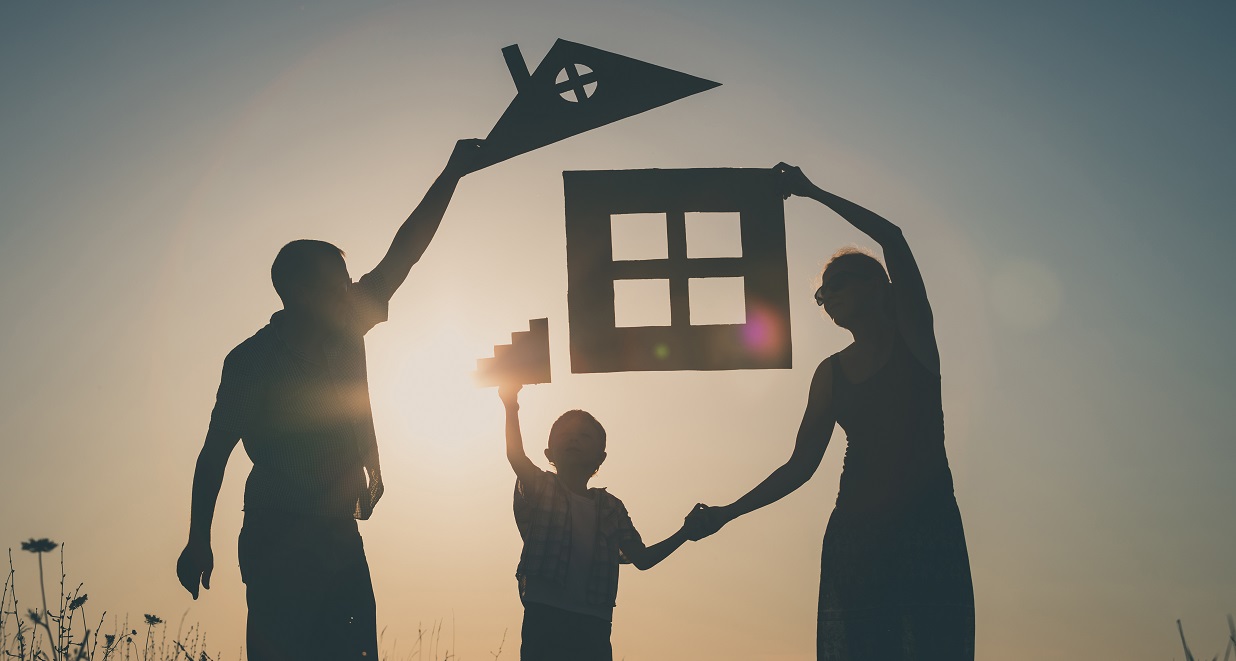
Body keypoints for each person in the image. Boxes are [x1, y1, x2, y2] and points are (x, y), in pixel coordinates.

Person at [175, 138, 485, 661]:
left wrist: (453, 173)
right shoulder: (251, 362)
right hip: (277, 530)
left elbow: (404, 252)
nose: (350, 290)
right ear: (297, 291)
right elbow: (214, 453)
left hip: (338, 531)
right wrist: (197, 539)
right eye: (338, 282)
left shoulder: (346, 324)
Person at [688, 163, 975, 660]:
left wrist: (810, 191)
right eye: (822, 294)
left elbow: (894, 237)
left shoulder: (915, 342)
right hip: (856, 538)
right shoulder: (829, 374)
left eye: (838, 283)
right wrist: (727, 513)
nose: (828, 298)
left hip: (927, 527)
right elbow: (800, 466)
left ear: (878, 285)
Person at [498, 384, 695, 661]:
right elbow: (515, 455)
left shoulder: (611, 508)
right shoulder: (541, 487)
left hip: (595, 621)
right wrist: (511, 404)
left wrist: (685, 533)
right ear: (549, 454)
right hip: (544, 612)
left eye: (584, 436)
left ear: (600, 458)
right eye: (565, 436)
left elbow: (643, 558)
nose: (574, 440)